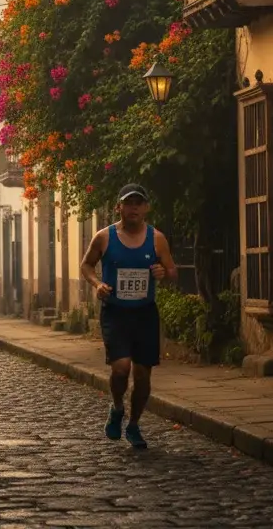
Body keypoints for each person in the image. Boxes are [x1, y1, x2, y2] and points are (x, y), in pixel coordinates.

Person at [80, 184, 177, 449]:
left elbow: (172, 272)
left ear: (146, 208)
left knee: (143, 374)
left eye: (139, 203)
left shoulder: (156, 239)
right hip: (115, 312)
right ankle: (117, 407)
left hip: (145, 313)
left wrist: (162, 273)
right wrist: (97, 284)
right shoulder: (104, 237)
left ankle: (134, 424)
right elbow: (86, 264)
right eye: (128, 203)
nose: (134, 207)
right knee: (121, 368)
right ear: (118, 207)